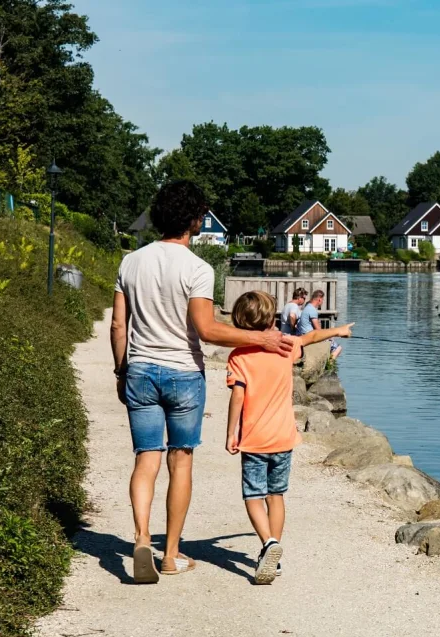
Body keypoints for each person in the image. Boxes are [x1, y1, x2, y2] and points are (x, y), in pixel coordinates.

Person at [110, 180, 300, 585]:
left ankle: (142, 539)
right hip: (182, 375)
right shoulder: (197, 268)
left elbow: (117, 324)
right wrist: (261, 338)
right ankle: (171, 555)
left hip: (140, 370)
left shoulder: (130, 262)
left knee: (146, 460)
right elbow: (207, 330)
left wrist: (120, 370)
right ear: (195, 219)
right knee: (180, 462)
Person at [224, 290, 352, 584]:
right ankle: (274, 553)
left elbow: (238, 397)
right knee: (276, 495)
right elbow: (309, 339)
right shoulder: (284, 348)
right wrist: (339, 331)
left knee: (253, 496)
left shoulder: (238, 357)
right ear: (272, 319)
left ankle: (268, 543)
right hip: (284, 437)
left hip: (255, 439)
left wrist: (231, 431)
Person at [294, 289, 343, 359]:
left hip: (305, 334)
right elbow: (318, 329)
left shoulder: (307, 307)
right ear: (319, 299)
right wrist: (329, 336)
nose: (323, 302)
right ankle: (330, 363)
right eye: (323, 300)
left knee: (330, 339)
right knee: (338, 347)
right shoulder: (312, 310)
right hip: (309, 336)